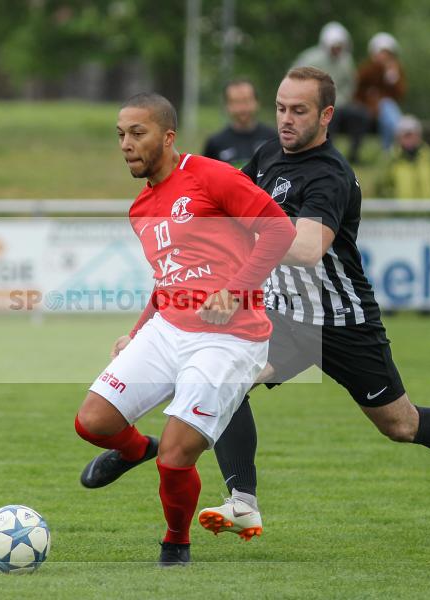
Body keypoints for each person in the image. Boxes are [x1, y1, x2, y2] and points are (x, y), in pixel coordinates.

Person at [195, 67, 430, 540]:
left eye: (298, 111)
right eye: (281, 108)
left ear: (326, 115)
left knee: (401, 425)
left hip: (342, 321)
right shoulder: (265, 155)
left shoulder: (331, 174)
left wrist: (253, 225)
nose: (285, 119)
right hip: (284, 316)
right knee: (225, 382)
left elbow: (307, 248)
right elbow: (225, 205)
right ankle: (242, 501)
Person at [74, 93, 295, 566]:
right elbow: (166, 281)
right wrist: (136, 333)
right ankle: (135, 451)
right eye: (120, 135)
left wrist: (234, 291)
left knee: (175, 456)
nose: (126, 145)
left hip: (230, 338)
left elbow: (278, 229)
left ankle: (176, 540)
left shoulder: (211, 175)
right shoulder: (140, 210)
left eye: (138, 133)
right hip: (167, 329)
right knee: (92, 422)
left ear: (168, 137)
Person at [291, 21, 370, 164]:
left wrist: (343, 99)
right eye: (334, 46)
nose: (337, 50)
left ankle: (354, 154)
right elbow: (295, 79)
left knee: (361, 114)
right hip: (317, 102)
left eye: (340, 47)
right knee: (329, 116)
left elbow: (350, 84)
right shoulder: (310, 58)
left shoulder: (346, 60)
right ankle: (326, 153)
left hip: (340, 102)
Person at [202, 79, 277, 168]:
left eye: (246, 100)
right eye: (236, 102)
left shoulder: (273, 138)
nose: (242, 108)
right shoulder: (215, 143)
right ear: (227, 105)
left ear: (257, 102)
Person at [355, 32, 406, 153]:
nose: (384, 56)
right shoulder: (367, 69)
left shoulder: (395, 69)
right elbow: (357, 90)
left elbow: (400, 94)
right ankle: (392, 149)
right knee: (388, 112)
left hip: (387, 108)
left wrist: (393, 79)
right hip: (368, 109)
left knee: (388, 110)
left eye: (387, 53)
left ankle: (389, 149)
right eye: (382, 53)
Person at [376, 115, 430, 199]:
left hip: (429, 210)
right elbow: (380, 187)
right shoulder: (391, 159)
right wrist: (393, 201)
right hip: (400, 211)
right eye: (406, 136)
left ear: (419, 136)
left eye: (412, 135)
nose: (410, 139)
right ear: (398, 138)